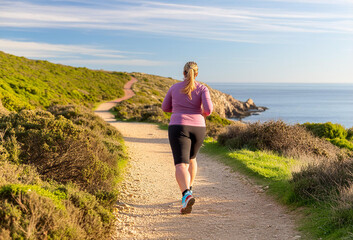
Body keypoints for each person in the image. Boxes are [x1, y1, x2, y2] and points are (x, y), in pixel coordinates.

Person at [162, 61, 213, 214]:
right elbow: (209, 110)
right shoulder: (203, 88)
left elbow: (165, 108)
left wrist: (178, 109)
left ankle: (186, 194)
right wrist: (198, 113)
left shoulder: (174, 87)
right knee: (192, 159)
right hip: (198, 127)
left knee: (180, 165)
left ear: (183, 73)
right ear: (196, 74)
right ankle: (189, 189)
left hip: (178, 126)